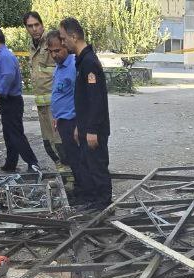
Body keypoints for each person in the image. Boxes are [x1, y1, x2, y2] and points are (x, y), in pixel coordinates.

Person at [59, 17, 111, 212]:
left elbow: (96, 100)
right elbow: (83, 101)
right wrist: (79, 127)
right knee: (89, 164)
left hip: (94, 129)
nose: (62, 42)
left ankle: (104, 203)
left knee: (97, 166)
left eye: (64, 38)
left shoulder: (89, 63)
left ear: (74, 36)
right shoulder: (82, 61)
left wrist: (91, 130)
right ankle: (94, 200)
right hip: (85, 126)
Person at [0, 27, 40, 173]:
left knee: (15, 134)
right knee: (9, 134)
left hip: (11, 101)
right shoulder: (2, 55)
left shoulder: (5, 56)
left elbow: (8, 76)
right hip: (8, 101)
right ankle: (10, 164)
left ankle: (32, 163)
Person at [24, 11, 65, 175]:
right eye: (30, 26)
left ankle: (69, 177)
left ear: (42, 24)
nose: (34, 29)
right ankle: (61, 172)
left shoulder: (52, 42)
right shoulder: (32, 46)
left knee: (60, 141)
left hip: (56, 102)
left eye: (37, 25)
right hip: (41, 104)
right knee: (48, 143)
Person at [46, 30, 82, 206]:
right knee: (71, 158)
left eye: (57, 50)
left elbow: (79, 96)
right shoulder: (59, 68)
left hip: (73, 121)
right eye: (50, 51)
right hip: (62, 120)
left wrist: (79, 124)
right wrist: (55, 116)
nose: (54, 55)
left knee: (78, 159)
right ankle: (79, 189)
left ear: (65, 46)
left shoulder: (74, 65)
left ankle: (84, 192)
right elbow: (59, 93)